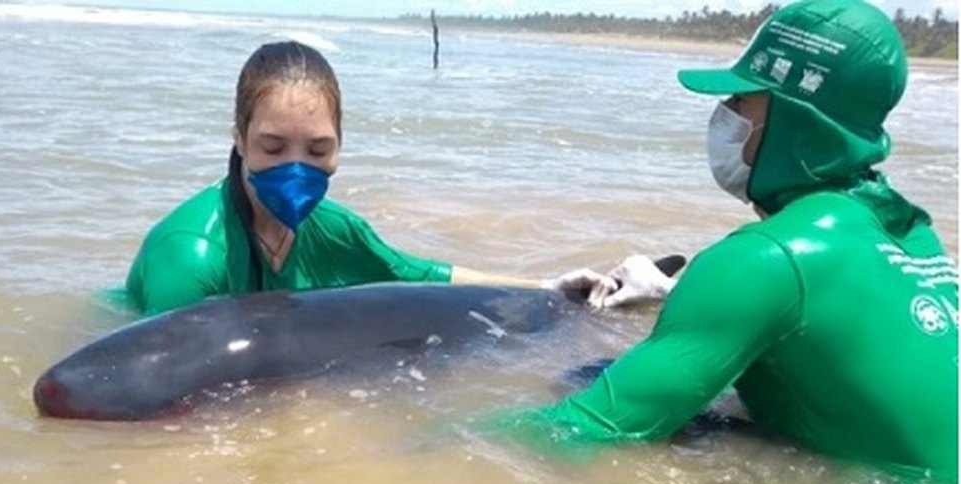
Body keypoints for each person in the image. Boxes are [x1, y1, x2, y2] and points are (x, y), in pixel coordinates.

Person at [501, 0, 959, 484]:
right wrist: (666, 293)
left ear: (796, 118)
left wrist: (428, 439)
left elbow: (582, 431)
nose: (723, 114)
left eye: (741, 101)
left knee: (582, 389)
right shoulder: (912, 232)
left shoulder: (762, 258)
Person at [126, 40, 672, 315]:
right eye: (273, 146)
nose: (298, 167)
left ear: (341, 147)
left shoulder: (334, 229)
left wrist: (550, 289)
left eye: (319, 148)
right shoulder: (193, 257)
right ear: (240, 139)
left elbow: (421, 274)